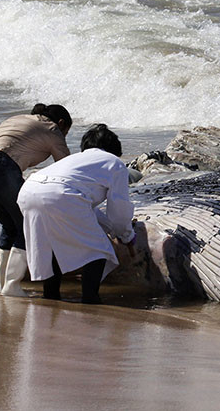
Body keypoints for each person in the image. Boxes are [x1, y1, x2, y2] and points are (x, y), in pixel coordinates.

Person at [17, 124, 135, 304]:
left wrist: (111, 228)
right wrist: (126, 236)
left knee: (51, 245)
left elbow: (87, 210)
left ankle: (51, 296)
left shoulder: (75, 160)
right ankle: (90, 298)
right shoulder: (114, 163)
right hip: (61, 195)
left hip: (29, 191)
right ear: (114, 148)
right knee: (98, 249)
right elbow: (119, 208)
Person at [0, 103, 72, 297]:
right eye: (66, 132)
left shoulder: (20, 118)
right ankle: (12, 286)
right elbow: (67, 167)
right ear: (61, 123)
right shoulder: (53, 129)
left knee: (10, 225)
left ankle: (4, 285)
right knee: (26, 224)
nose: (63, 137)